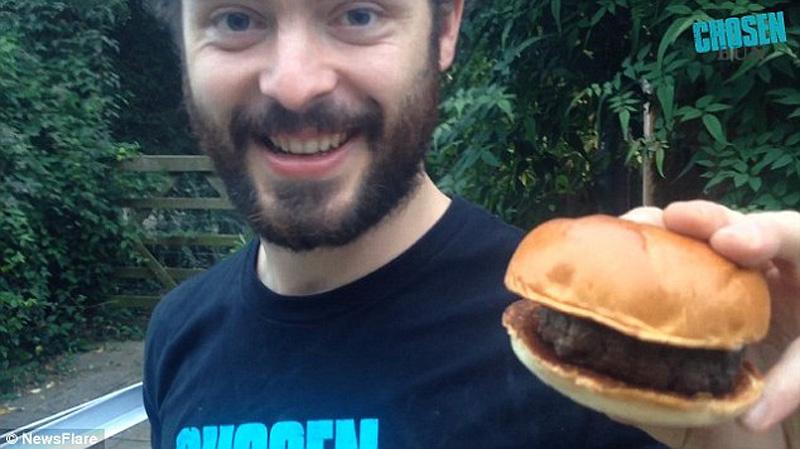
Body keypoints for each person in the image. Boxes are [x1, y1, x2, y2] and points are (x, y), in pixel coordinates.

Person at [141, 0, 800, 448]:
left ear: (445, 27)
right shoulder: (176, 335)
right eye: (235, 19)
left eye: (359, 14)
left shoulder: (612, 374)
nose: (294, 84)